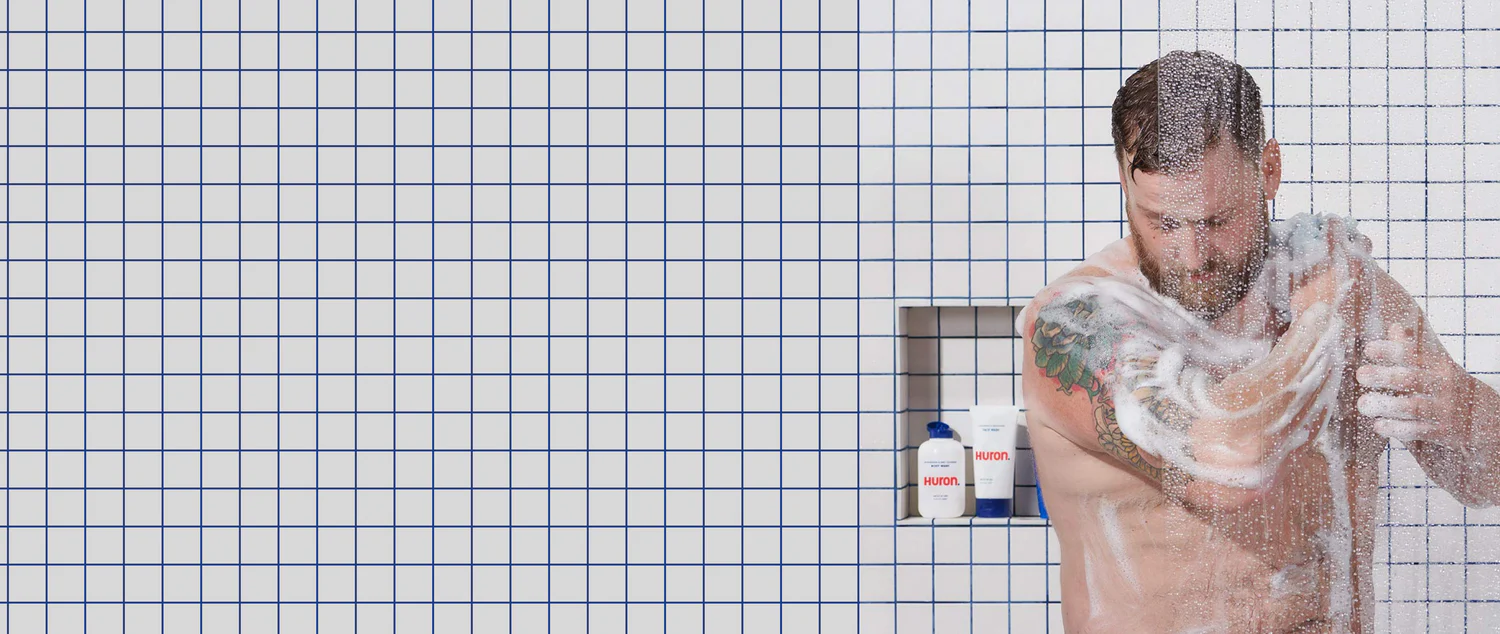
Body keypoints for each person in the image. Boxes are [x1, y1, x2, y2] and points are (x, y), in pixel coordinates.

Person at [1018, 49, 1500, 633]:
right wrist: (1323, 320)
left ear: (1268, 170)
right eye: (1164, 223)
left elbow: (1483, 479)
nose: (1192, 256)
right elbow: (1229, 464)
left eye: (1217, 221)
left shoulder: (1345, 285)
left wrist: (1465, 411)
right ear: (1124, 182)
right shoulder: (1077, 325)